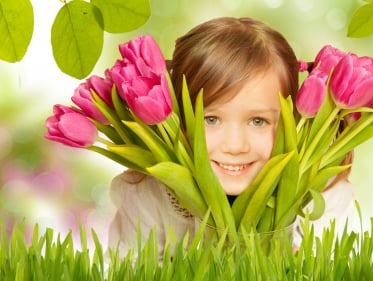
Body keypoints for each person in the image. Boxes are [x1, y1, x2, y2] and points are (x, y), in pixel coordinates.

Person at [107, 17, 355, 256]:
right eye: (211, 119)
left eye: (258, 121)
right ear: (179, 118)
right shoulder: (148, 196)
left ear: (292, 121)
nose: (235, 146)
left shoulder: (324, 195)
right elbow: (123, 269)